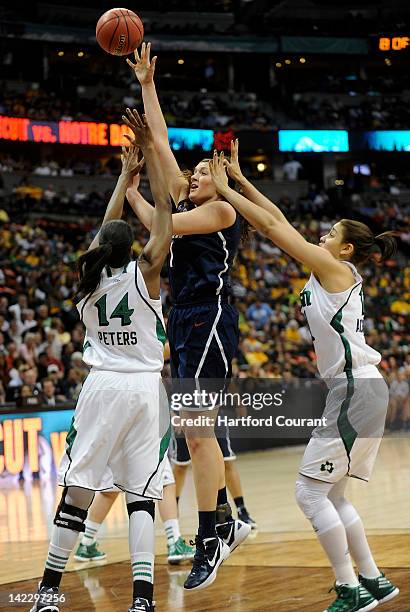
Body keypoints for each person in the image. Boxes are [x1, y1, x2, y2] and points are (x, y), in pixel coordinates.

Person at [208, 141, 399, 612]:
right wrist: (238, 177)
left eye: (331, 232)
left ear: (346, 248)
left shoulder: (333, 267)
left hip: (355, 389)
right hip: (360, 389)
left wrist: (224, 191)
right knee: (331, 493)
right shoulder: (330, 267)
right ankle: (373, 581)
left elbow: (273, 226)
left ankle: (349, 588)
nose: (322, 234)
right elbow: (276, 215)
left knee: (308, 492)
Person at [30, 112, 172, 612]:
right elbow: (166, 216)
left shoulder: (86, 282)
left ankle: (47, 594)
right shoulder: (146, 275)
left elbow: (100, 237)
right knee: (140, 496)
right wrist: (153, 157)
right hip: (142, 391)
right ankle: (143, 599)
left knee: (79, 490)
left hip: (102, 386)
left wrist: (120, 180)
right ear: (130, 247)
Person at [125, 43, 250, 591]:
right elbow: (160, 144)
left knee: (197, 434)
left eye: (203, 170)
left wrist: (153, 185)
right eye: (193, 171)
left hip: (210, 316)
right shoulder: (182, 204)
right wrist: (147, 84)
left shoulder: (222, 210)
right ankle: (223, 522)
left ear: (220, 181)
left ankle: (211, 535)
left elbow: (165, 227)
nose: (193, 175)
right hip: (184, 319)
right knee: (196, 434)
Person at [74, 457, 195, 565]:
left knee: (111, 488)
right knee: (165, 484)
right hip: (145, 438)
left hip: (116, 438)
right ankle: (174, 541)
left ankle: (86, 542)